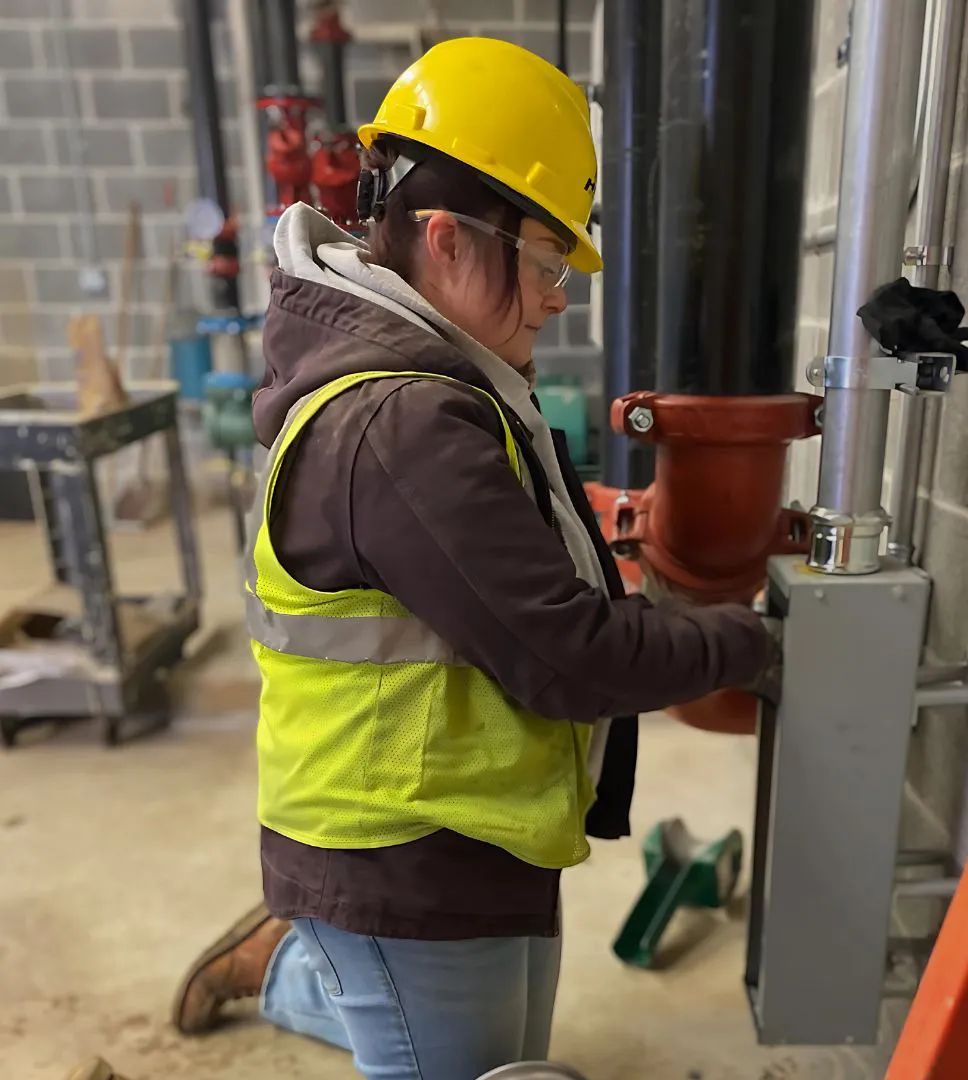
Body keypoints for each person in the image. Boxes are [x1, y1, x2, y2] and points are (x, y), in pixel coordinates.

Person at [160, 36, 774, 1080]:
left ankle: (300, 970)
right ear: (446, 239)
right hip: (404, 856)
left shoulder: (441, 383)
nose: (558, 297)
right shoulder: (400, 421)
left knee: (504, 1051)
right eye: (544, 262)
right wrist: (750, 645)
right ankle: (308, 969)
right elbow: (567, 656)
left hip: (468, 830)